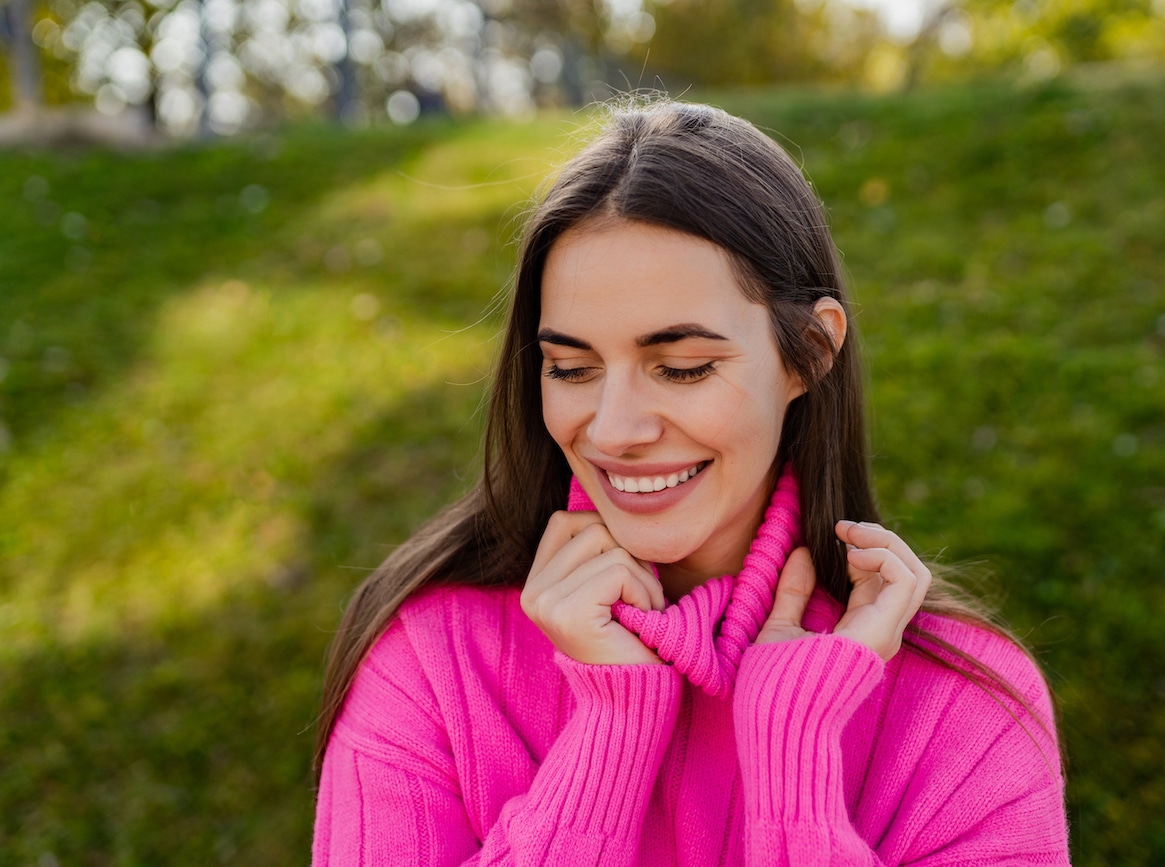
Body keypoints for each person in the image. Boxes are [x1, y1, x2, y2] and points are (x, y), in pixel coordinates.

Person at [311, 100, 1070, 865]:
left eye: (682, 367)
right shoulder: (430, 664)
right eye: (570, 368)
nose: (613, 429)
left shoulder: (966, 704)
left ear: (808, 352)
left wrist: (794, 768)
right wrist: (609, 736)